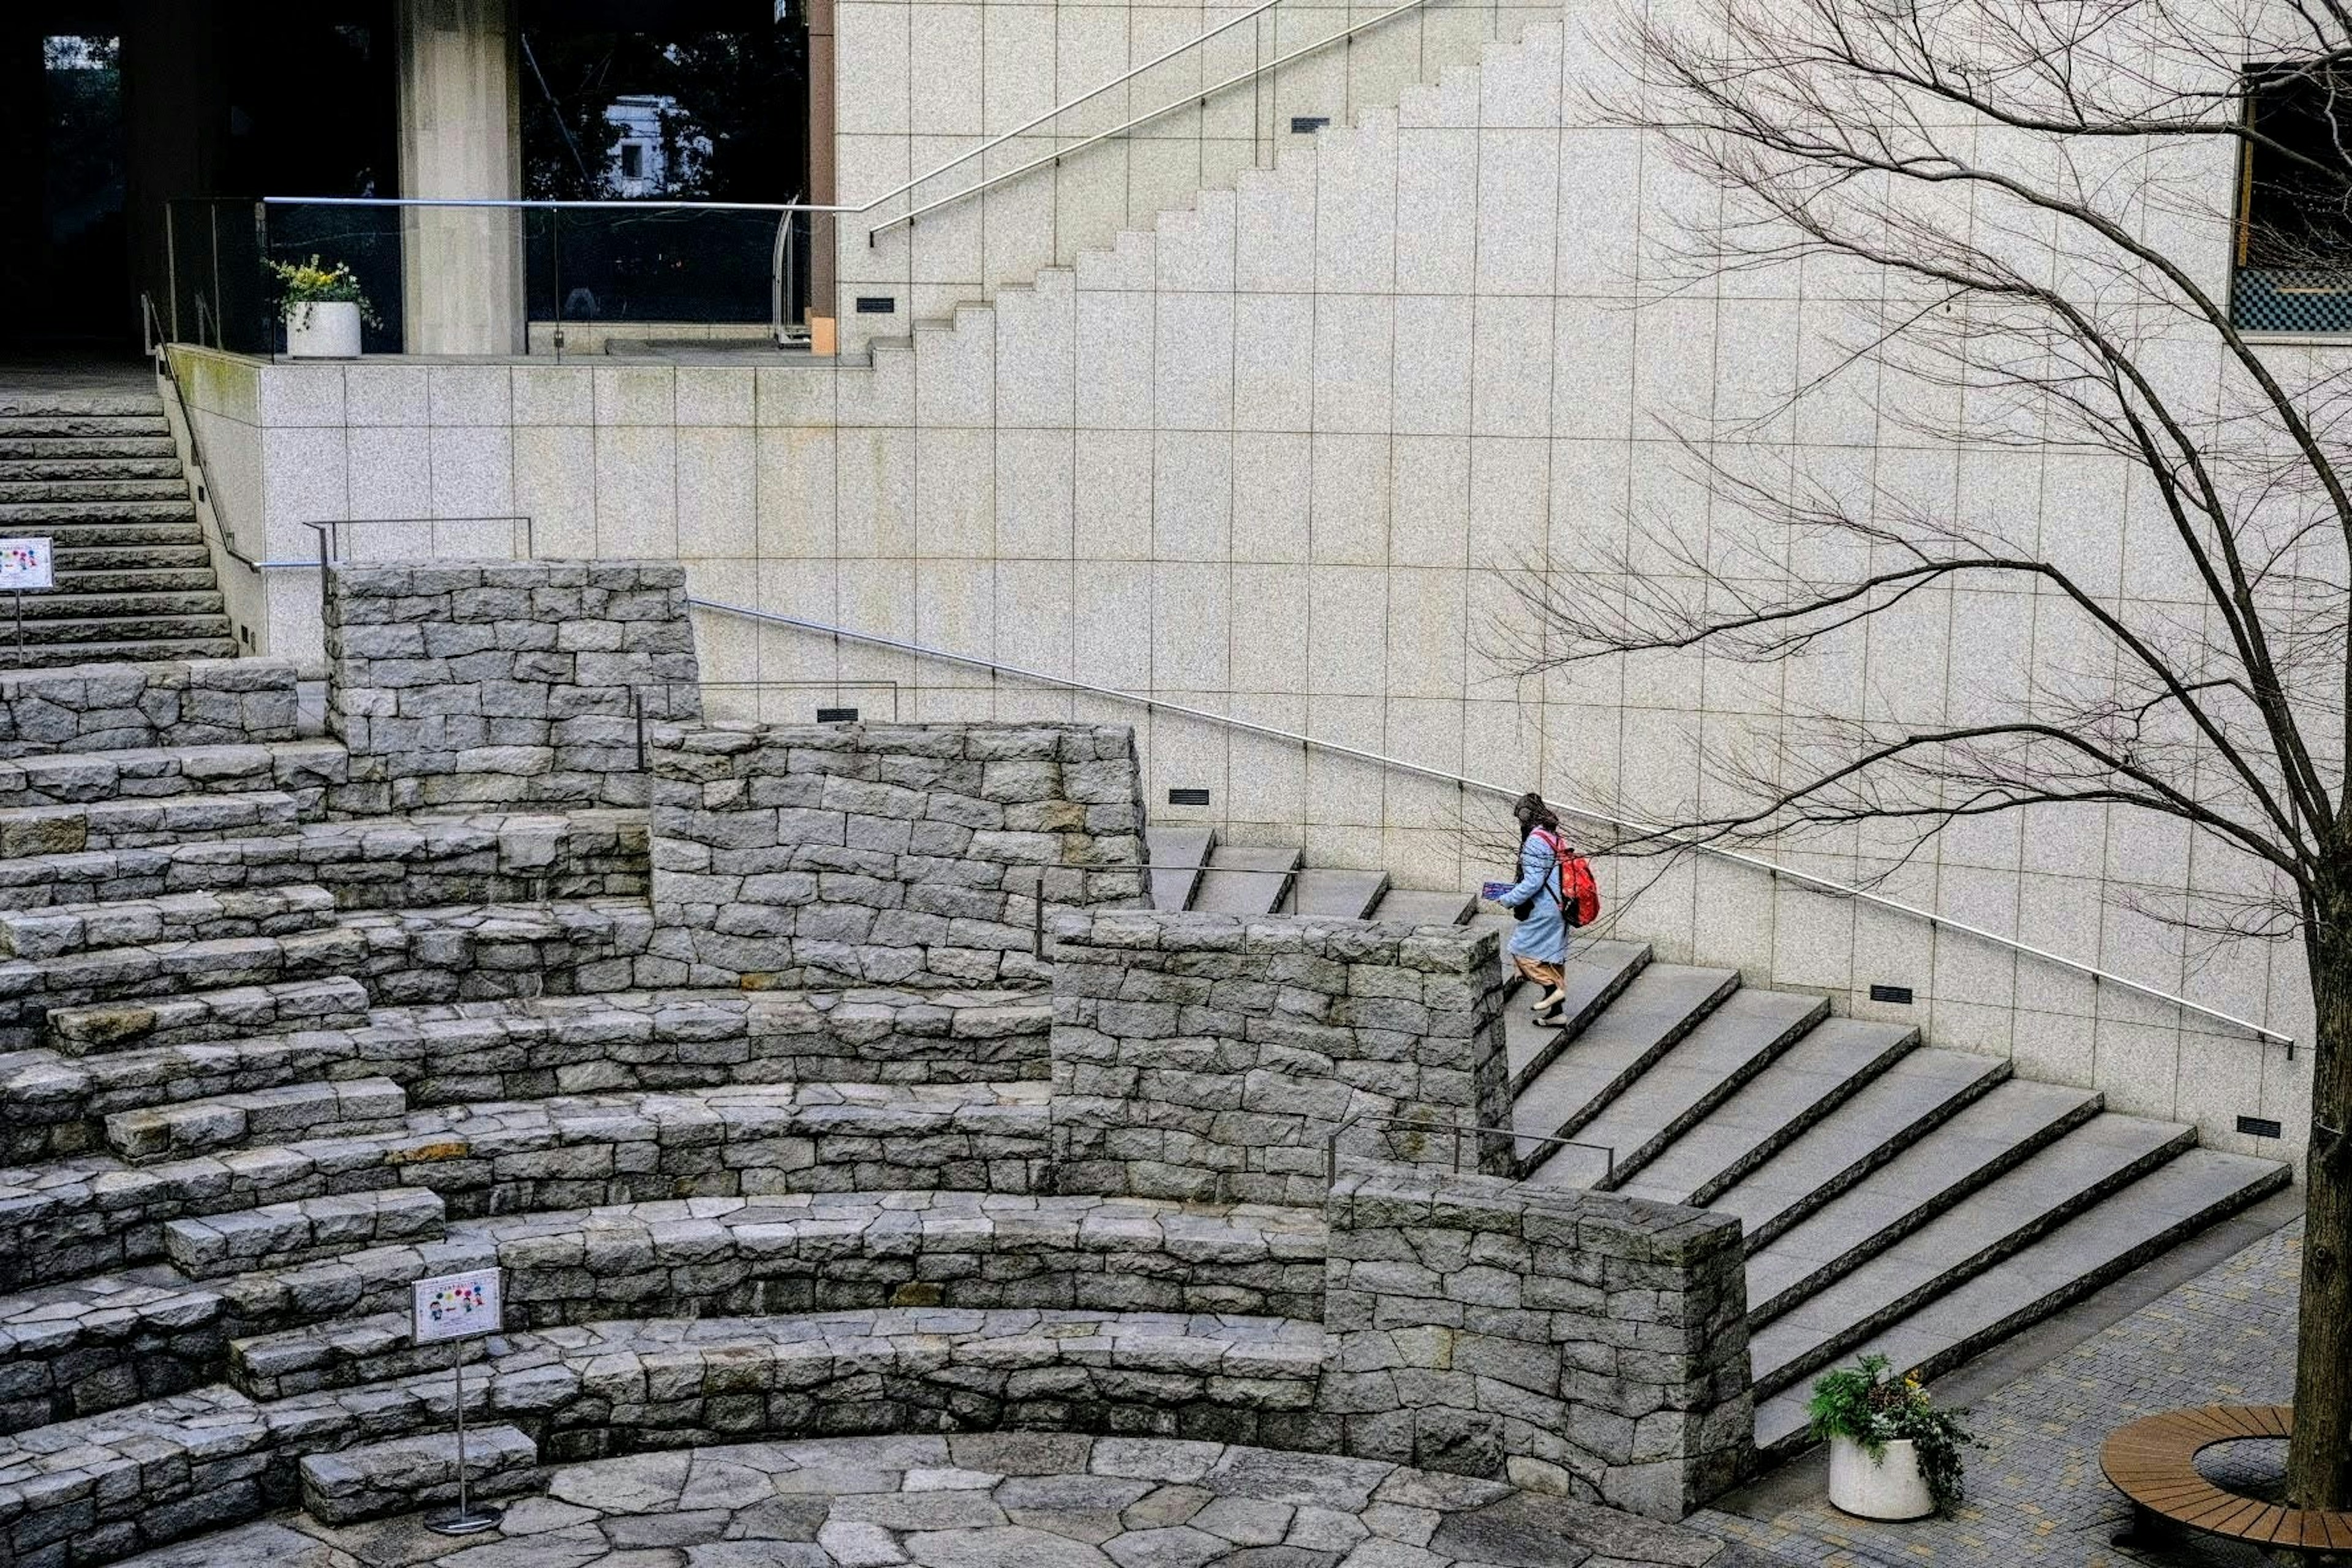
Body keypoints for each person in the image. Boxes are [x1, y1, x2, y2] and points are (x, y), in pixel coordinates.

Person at [1499, 791, 1570, 1025]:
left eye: (1520, 818)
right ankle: (1556, 1014)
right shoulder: (1553, 836)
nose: (1519, 823)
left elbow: (1533, 882)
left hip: (1544, 908)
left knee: (1520, 950)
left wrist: (1509, 898)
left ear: (1526, 816)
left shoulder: (1535, 840)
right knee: (1551, 958)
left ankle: (1553, 988)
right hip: (1560, 906)